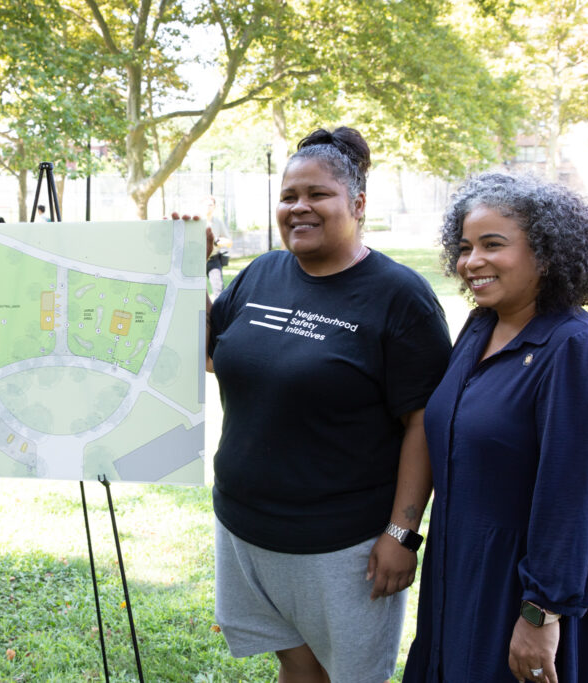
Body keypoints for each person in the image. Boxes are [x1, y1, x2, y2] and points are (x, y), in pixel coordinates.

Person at [206, 127, 451, 682]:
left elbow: (424, 422)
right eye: (289, 196)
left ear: (357, 203)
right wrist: (181, 266)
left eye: (318, 194)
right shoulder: (263, 272)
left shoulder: (399, 296)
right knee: (294, 664)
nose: (299, 207)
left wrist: (401, 533)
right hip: (244, 525)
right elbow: (211, 352)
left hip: (342, 544)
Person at [403, 173, 588, 683]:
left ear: (547, 254)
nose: (472, 262)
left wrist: (542, 611)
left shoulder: (579, 349)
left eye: (493, 245)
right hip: (461, 566)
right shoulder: (479, 328)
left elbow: (581, 499)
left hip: (529, 589)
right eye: (465, 247)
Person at [205, 196, 231, 298]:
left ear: (214, 207)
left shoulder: (218, 222)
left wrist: (216, 241)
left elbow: (229, 242)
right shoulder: (196, 221)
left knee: (219, 290)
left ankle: (217, 313)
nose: (208, 207)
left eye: (210, 205)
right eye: (205, 204)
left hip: (213, 260)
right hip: (197, 261)